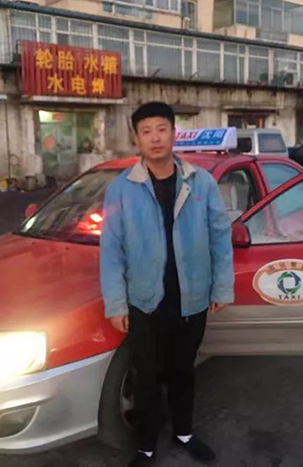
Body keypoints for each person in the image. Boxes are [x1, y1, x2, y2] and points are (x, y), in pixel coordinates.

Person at [100, 102, 234, 466]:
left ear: (174, 134)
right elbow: (111, 250)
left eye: (162, 129)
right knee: (146, 376)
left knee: (183, 370)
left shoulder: (200, 182)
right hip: (145, 300)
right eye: (146, 131)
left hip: (191, 296)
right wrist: (116, 304)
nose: (155, 138)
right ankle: (146, 445)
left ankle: (183, 432)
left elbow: (220, 237)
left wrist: (222, 287)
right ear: (136, 139)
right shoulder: (121, 189)